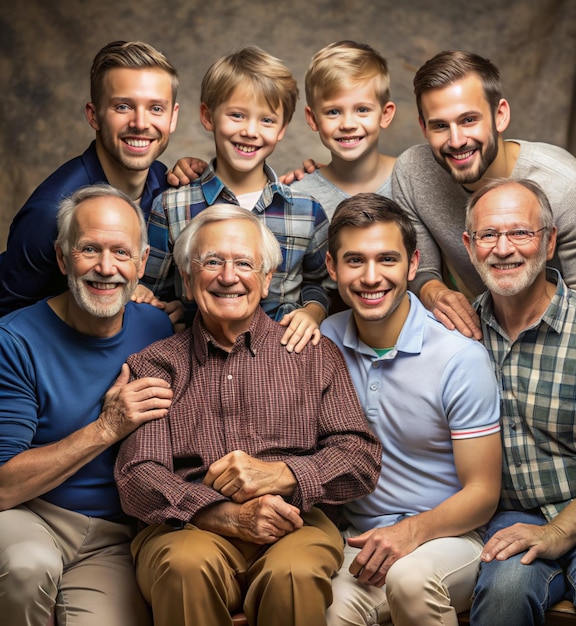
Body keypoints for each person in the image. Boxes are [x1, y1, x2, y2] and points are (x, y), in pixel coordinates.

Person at [114, 204, 382, 626]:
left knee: (293, 573)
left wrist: (282, 475)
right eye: (212, 262)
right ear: (186, 278)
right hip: (184, 526)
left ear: (268, 278)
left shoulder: (312, 353)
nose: (228, 276)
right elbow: (139, 475)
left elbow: (360, 458)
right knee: (186, 566)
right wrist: (223, 515)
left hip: (295, 521)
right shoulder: (156, 364)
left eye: (244, 263)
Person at [321, 193, 502, 626]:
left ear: (412, 264)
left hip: (450, 537)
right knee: (327, 608)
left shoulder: (459, 357)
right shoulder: (324, 340)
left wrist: (410, 533)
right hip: (360, 540)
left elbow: (483, 493)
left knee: (410, 580)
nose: (370, 277)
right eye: (354, 261)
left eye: (386, 259)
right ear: (331, 268)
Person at [0, 184, 175, 626]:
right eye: (89, 249)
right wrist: (107, 427)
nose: (105, 267)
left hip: (114, 538)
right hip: (28, 516)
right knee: (27, 567)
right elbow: (2, 487)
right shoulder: (14, 341)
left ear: (141, 263)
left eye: (120, 253)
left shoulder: (158, 327)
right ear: (62, 258)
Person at [462, 178, 576, 625]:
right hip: (509, 515)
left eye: (520, 232)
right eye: (488, 235)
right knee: (504, 595)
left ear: (549, 241)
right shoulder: (459, 335)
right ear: (469, 246)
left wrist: (558, 531)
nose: (503, 248)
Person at [391, 49, 576, 340]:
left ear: (500, 115)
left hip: (558, 342)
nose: (457, 140)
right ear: (424, 128)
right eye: (440, 125)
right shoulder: (412, 174)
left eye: (469, 120)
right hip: (471, 340)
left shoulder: (566, 187)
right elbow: (420, 270)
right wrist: (433, 292)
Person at [142, 45, 333, 352]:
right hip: (199, 363)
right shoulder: (172, 206)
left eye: (267, 121)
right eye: (236, 115)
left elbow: (323, 282)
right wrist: (165, 313)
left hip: (282, 364)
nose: (250, 131)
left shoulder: (306, 211)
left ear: (283, 128)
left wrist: (314, 310)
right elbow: (149, 290)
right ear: (208, 116)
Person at [0, 40, 192, 317]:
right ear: (94, 116)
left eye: (155, 109)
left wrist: (171, 310)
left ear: (173, 118)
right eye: (123, 107)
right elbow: (7, 317)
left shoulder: (167, 183)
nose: (140, 123)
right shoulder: (49, 212)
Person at [290, 40, 396, 219]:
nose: (348, 124)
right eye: (333, 112)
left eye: (362, 110)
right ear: (313, 118)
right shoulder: (299, 195)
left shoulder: (412, 179)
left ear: (385, 114)